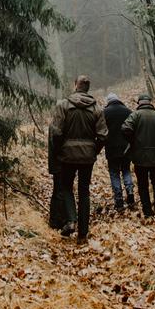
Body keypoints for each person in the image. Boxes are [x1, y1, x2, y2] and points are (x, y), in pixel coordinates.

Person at [49, 74, 108, 244]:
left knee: (66, 187)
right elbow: (103, 136)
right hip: (87, 157)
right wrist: (93, 151)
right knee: (84, 191)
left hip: (67, 156)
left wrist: (61, 150)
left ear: (75, 85)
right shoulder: (97, 108)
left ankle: (71, 220)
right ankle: (83, 233)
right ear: (87, 88)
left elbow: (56, 132)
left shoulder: (64, 105)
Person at [122, 93, 155, 222]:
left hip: (140, 157)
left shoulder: (135, 115)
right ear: (150, 102)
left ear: (139, 103)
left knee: (143, 185)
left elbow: (125, 128)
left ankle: (148, 212)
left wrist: (133, 141)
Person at [103, 93, 135, 212]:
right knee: (126, 170)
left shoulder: (105, 113)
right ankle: (130, 192)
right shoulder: (128, 111)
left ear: (109, 101)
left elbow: (102, 130)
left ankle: (119, 200)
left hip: (111, 148)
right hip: (126, 148)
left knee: (114, 173)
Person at [47, 127, 66, 230]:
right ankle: (58, 221)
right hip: (59, 162)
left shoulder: (55, 123)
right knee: (60, 191)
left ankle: (55, 220)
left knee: (58, 191)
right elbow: (56, 144)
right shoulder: (57, 125)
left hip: (57, 162)